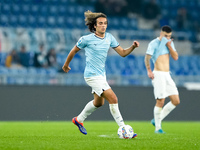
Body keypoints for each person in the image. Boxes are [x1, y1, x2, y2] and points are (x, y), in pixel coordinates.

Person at [62, 10, 139, 137]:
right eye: (100, 23)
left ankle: (78, 120)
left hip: (101, 75)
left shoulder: (109, 37)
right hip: (91, 75)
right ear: (95, 26)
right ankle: (124, 129)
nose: (103, 25)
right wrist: (66, 65)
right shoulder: (86, 39)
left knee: (99, 103)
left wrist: (133, 47)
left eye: (105, 23)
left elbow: (123, 53)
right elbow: (73, 51)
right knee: (113, 98)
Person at [144, 25, 180, 134]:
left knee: (176, 101)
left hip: (167, 74)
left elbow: (175, 57)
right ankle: (158, 128)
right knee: (160, 101)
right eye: (165, 36)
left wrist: (169, 45)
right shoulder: (153, 43)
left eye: (169, 36)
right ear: (161, 33)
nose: (167, 38)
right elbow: (147, 57)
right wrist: (149, 70)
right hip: (158, 74)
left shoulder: (170, 42)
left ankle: (156, 120)